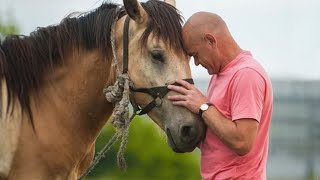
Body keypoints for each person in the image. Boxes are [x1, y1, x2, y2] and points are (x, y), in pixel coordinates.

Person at [167, 12, 273, 180]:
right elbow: (218, 142)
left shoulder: (246, 74)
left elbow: (242, 142)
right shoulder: (219, 75)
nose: (196, 63)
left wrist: (203, 107)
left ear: (211, 40)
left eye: (195, 54)